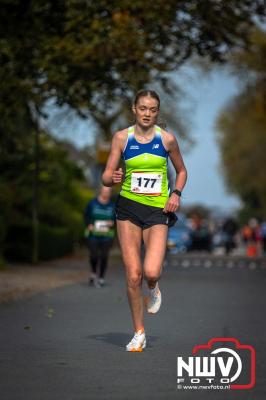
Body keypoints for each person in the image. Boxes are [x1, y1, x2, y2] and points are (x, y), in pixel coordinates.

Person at [102, 89, 187, 351]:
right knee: (133, 274)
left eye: (152, 109)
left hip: (157, 211)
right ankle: (139, 332)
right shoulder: (121, 138)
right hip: (128, 208)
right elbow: (106, 176)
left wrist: (176, 193)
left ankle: (155, 285)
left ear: (157, 112)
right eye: (143, 108)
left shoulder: (167, 140)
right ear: (134, 109)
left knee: (151, 271)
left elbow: (182, 171)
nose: (147, 113)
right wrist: (111, 178)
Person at [84, 186, 115, 287]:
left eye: (108, 191)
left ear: (110, 193)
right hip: (93, 234)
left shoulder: (112, 205)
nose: (106, 193)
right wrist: (89, 224)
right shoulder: (92, 203)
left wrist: (113, 222)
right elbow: (86, 215)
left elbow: (117, 219)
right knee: (93, 255)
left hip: (107, 235)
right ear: (100, 191)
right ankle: (93, 273)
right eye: (104, 191)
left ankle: (101, 277)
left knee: (104, 256)